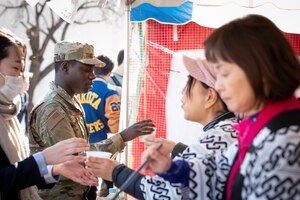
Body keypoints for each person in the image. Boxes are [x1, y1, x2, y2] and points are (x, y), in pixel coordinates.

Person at [143, 14, 300, 200]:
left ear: (258, 70)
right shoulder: (257, 126)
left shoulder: (286, 141)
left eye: (224, 73)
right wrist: (171, 168)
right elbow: (218, 173)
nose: (218, 85)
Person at [85, 56, 238, 199]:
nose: (182, 92)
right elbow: (208, 163)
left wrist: (115, 172)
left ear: (210, 97)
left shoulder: (220, 136)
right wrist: (176, 147)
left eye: (189, 84)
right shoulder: (230, 130)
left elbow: (166, 192)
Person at [28, 40, 156, 200]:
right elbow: (77, 159)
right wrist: (122, 137)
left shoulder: (71, 102)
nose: (93, 75)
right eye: (86, 69)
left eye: (93, 70)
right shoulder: (53, 109)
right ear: (66, 67)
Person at [0, 29, 97, 200]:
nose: (20, 77)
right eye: (16, 68)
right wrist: (43, 159)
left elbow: (20, 172)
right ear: (65, 67)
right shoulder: (52, 107)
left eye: (23, 70)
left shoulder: (7, 114)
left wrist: (55, 169)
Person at [77, 54, 121, 143]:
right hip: (103, 146)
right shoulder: (110, 92)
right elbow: (115, 122)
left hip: (80, 144)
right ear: (110, 72)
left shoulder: (77, 89)